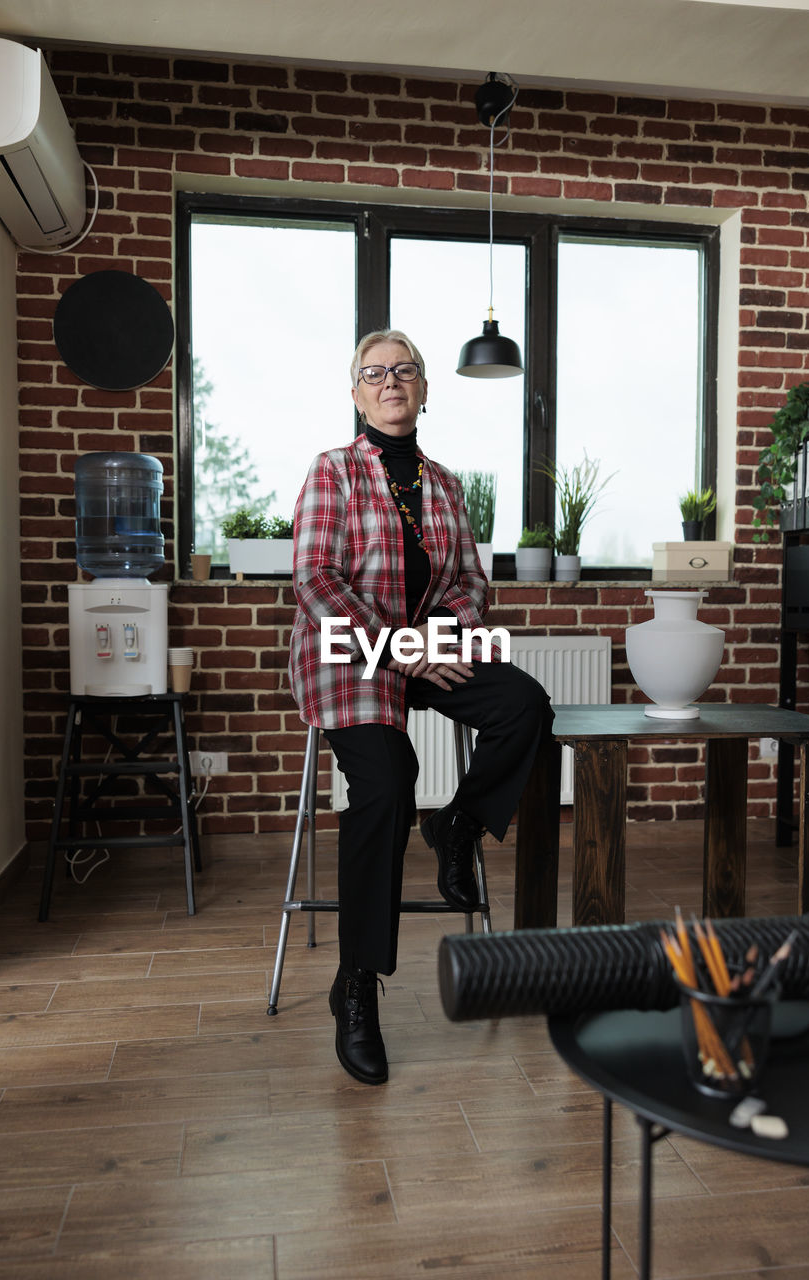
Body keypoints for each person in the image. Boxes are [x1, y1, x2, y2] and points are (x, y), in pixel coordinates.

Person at [288, 329, 554, 1085]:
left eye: (404, 370)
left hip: (428, 650)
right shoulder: (333, 471)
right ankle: (356, 986)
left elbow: (471, 584)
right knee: (385, 780)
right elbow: (315, 580)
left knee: (524, 705)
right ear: (355, 393)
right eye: (374, 373)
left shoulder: (443, 484)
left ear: (425, 390)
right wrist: (404, 645)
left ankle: (458, 824)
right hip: (353, 652)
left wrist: (450, 640)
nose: (390, 381)